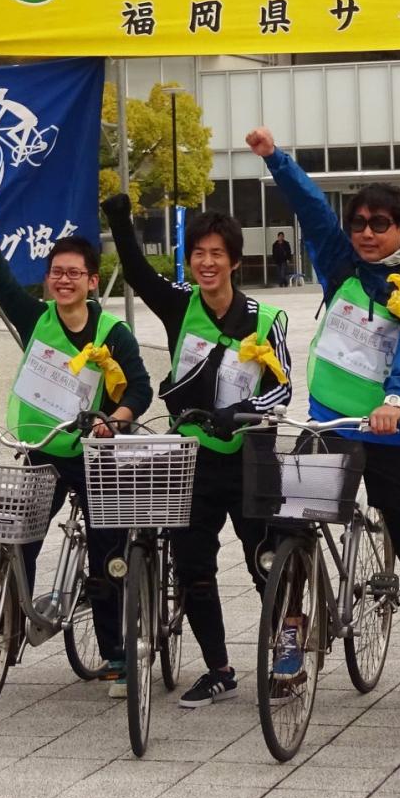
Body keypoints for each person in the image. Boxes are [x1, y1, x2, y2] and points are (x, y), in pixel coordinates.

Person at [245, 126, 400, 711]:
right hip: (329, 426)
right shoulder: (341, 268)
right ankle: (292, 629)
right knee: (291, 529)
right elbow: (313, 211)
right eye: (360, 222)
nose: (365, 233)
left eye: (379, 224)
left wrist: (393, 401)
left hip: (390, 432)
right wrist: (275, 160)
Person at [103, 193, 292, 707]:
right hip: (193, 457)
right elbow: (140, 275)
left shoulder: (265, 317)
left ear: (235, 260)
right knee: (193, 567)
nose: (207, 263)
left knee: (265, 563)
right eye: (198, 254)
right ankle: (219, 669)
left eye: (217, 254)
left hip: (250, 456)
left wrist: (244, 409)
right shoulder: (182, 305)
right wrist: (120, 219)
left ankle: (283, 655)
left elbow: (284, 389)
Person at [0, 198, 152, 688]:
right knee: (21, 540)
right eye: (56, 272)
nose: (63, 280)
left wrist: (114, 420)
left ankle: (115, 650)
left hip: (95, 455)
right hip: (44, 449)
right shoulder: (38, 318)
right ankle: (10, 626)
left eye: (74, 273)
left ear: (93, 281)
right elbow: (1, 280)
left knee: (105, 552)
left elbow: (139, 388)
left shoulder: (113, 333)